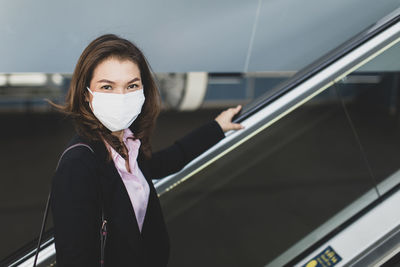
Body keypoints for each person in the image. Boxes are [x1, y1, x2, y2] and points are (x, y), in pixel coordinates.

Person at [49, 33, 244, 267]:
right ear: (86, 94)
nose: (121, 97)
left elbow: (166, 161)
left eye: (132, 85)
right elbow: (74, 259)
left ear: (143, 89)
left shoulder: (127, 142)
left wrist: (217, 127)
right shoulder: (79, 164)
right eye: (107, 86)